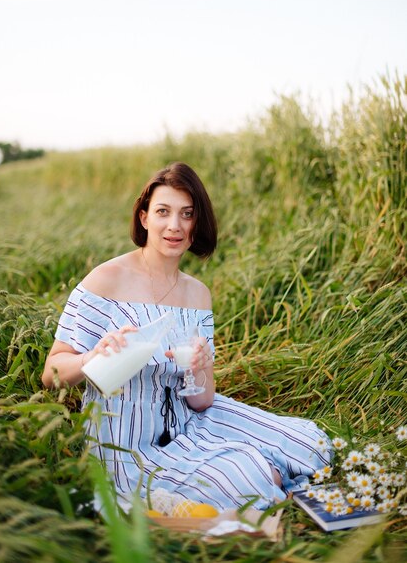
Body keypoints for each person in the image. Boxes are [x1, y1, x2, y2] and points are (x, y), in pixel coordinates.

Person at [42, 161, 331, 511]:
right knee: (253, 476)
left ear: (197, 223)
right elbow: (51, 373)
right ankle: (251, 475)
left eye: (187, 214)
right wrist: (90, 358)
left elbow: (202, 400)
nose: (174, 226)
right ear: (145, 217)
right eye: (163, 212)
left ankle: (251, 470)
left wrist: (199, 368)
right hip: (127, 438)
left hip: (187, 418)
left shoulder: (198, 294)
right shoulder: (107, 280)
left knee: (308, 445)